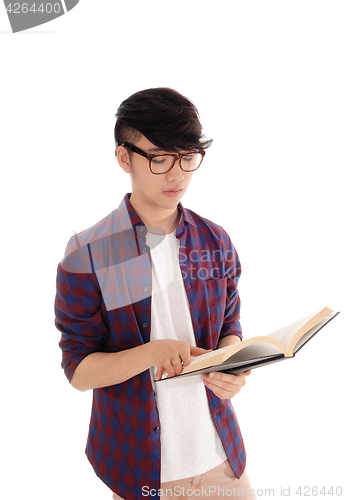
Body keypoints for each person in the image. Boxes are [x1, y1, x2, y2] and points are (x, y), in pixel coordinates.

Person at [55, 88, 256, 500]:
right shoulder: (90, 252)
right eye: (159, 158)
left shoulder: (215, 240)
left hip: (221, 458)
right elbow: (79, 370)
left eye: (187, 158)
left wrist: (232, 365)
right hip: (140, 468)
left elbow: (230, 327)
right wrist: (151, 352)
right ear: (124, 157)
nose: (177, 175)